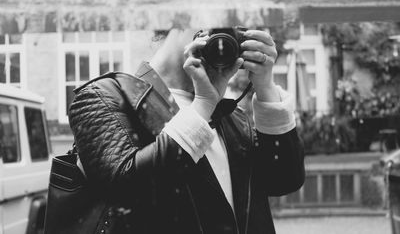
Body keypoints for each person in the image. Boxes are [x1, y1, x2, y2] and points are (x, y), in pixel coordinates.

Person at [68, 28, 305, 234]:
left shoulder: (231, 116)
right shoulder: (105, 96)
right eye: (217, 22)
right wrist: (202, 106)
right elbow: (123, 192)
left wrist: (265, 88)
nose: (223, 38)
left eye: (234, 29)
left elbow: (284, 181)